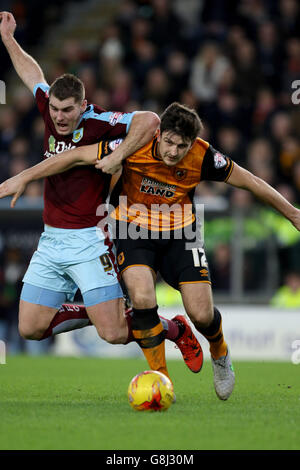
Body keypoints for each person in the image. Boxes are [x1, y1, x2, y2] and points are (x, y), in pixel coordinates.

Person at [3, 103, 300, 400]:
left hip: (181, 234)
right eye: (169, 142)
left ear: (191, 144)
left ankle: (219, 351)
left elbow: (252, 182)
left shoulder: (204, 156)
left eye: (181, 146)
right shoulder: (133, 145)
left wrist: (292, 213)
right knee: (143, 298)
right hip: (133, 232)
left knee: (201, 313)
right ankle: (162, 380)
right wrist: (26, 176)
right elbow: (75, 155)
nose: (173, 151)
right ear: (158, 134)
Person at [0, 11, 204, 376]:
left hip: (90, 240)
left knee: (113, 333)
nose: (59, 118)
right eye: (54, 109)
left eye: (67, 111)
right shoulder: (49, 108)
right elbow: (32, 74)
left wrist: (118, 156)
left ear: (82, 105)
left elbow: (151, 120)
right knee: (29, 328)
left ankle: (174, 328)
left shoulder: (99, 123)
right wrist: (9, 39)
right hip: (52, 239)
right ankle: (102, 312)